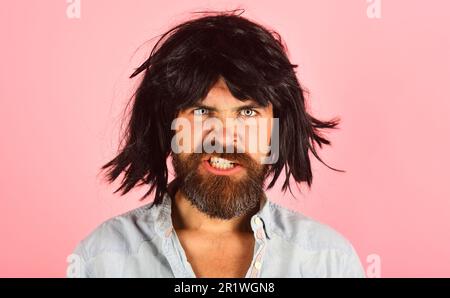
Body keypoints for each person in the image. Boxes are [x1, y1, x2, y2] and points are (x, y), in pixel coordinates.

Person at [68, 10, 365, 278]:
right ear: (169, 124)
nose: (224, 137)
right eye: (201, 112)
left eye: (247, 112)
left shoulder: (329, 263)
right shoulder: (100, 261)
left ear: (277, 128)